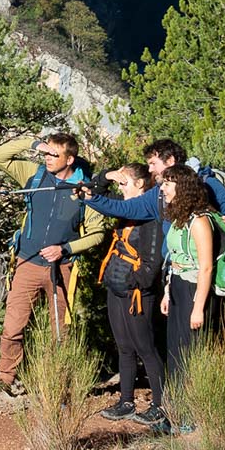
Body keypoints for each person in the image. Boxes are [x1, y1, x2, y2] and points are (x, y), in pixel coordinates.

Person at [0, 131, 108, 394]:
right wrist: (33, 144)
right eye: (45, 152)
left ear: (70, 159)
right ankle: (5, 380)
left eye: (54, 154)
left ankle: (59, 382)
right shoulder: (33, 175)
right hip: (27, 262)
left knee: (61, 332)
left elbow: (97, 234)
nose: (47, 158)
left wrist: (65, 248)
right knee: (12, 327)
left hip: (62, 268)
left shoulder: (84, 190)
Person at [94, 163, 166, 428]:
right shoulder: (125, 206)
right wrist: (106, 175)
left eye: (124, 183)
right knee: (124, 347)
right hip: (116, 287)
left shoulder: (149, 214)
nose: (119, 188)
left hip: (136, 293)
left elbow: (152, 259)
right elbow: (94, 194)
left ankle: (160, 404)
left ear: (140, 184)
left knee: (145, 348)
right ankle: (126, 401)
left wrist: (138, 282)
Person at [78, 138, 225, 241]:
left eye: (153, 164)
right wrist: (90, 198)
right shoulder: (159, 193)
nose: (150, 170)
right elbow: (125, 208)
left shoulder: (207, 183)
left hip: (205, 275)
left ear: (170, 161)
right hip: (172, 273)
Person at [158, 165, 220, 435]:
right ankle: (175, 413)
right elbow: (175, 258)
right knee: (174, 352)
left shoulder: (200, 221)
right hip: (179, 288)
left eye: (168, 184)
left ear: (182, 188)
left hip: (197, 292)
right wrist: (168, 291)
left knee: (191, 354)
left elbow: (206, 267)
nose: (163, 188)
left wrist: (198, 308)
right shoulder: (179, 219)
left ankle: (191, 416)